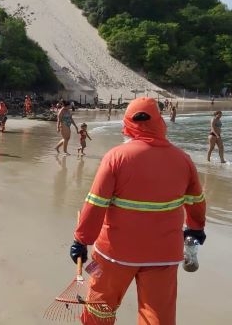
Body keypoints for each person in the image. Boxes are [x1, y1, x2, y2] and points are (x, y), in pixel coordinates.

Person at [70, 97, 207, 325]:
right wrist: (195, 229)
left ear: (127, 124)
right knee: (157, 316)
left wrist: (81, 240)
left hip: (114, 255)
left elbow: (95, 203)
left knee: (100, 308)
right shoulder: (183, 160)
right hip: (163, 256)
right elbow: (196, 202)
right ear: (159, 122)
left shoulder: (116, 157)